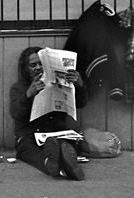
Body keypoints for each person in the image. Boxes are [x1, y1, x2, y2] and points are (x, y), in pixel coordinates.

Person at [9, 46, 87, 180]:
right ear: (25, 69)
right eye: (33, 65)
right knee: (29, 151)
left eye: (41, 64)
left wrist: (79, 84)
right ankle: (53, 165)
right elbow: (16, 113)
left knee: (64, 145)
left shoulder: (58, 83)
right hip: (30, 136)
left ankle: (65, 163)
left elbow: (81, 103)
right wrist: (28, 95)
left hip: (55, 134)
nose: (38, 68)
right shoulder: (18, 88)